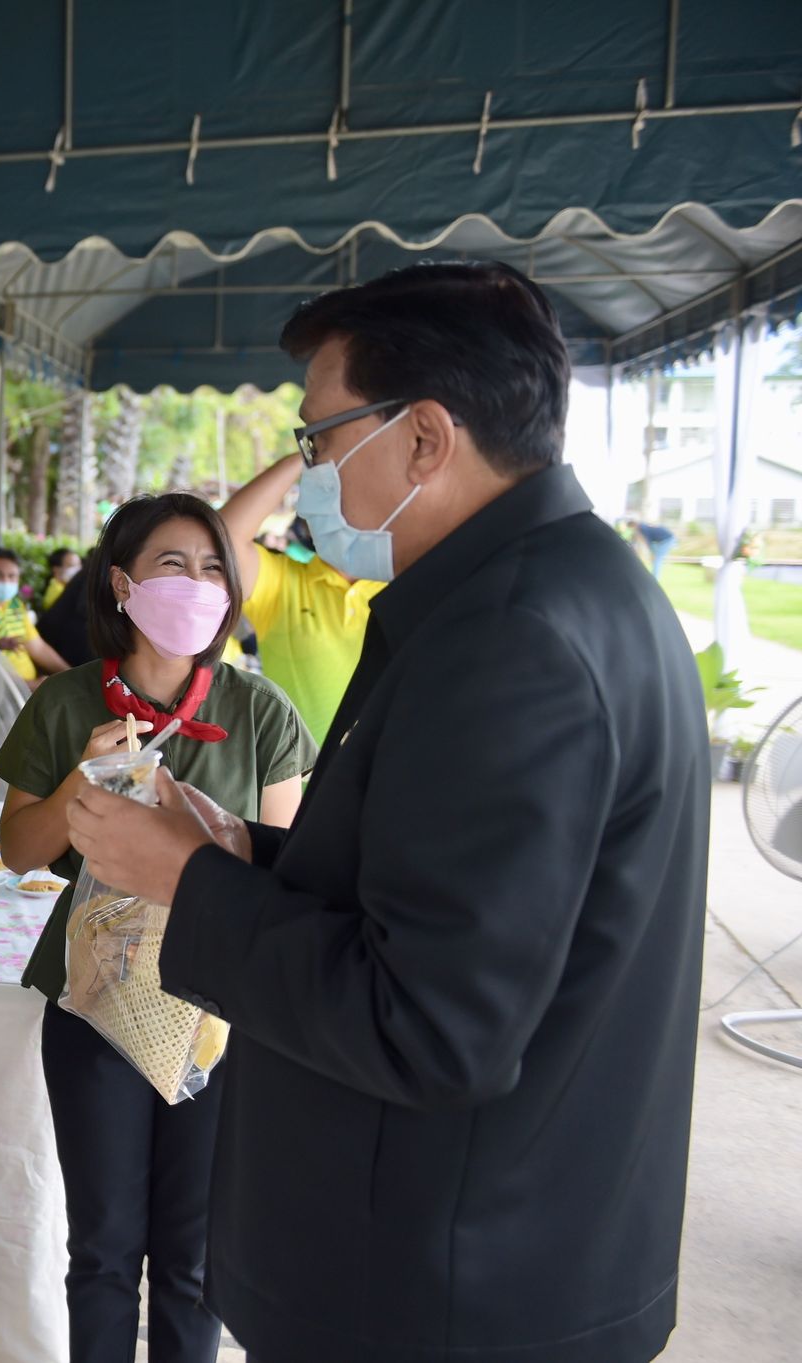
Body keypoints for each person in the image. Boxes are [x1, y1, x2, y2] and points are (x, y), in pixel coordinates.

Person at [65, 263, 708, 1363]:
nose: (311, 473)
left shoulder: (513, 639)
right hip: (481, 1255)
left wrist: (184, 878)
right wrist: (241, 848)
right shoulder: (556, 589)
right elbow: (435, 885)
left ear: (423, 438)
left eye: (319, 438)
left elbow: (429, 1020)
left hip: (443, 1285)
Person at [0, 494, 313, 1363]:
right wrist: (81, 781)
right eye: (174, 565)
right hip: (93, 1003)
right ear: (122, 583)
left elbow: (285, 871)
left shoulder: (260, 711)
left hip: (217, 1014)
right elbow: (18, 849)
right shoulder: (65, 703)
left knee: (194, 1256)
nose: (198, 584)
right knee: (102, 1249)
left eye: (213, 568)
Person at [218, 452, 383, 743]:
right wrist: (308, 453)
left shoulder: (404, 582)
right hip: (302, 770)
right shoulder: (284, 584)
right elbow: (223, 537)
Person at [0, 547, 68, 683]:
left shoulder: (15, 604)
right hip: (6, 691)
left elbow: (37, 647)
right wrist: (31, 686)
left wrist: (70, 673)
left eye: (12, 576)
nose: (5, 581)